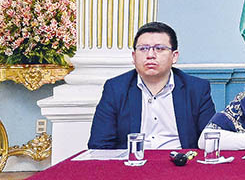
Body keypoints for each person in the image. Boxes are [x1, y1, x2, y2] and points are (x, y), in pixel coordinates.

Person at [88, 21, 216, 150]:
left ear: (174, 56)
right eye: (143, 49)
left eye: (159, 49)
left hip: (181, 164)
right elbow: (99, 145)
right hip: (132, 164)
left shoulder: (196, 89)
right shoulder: (116, 89)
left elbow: (209, 141)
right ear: (134, 56)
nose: (150, 55)